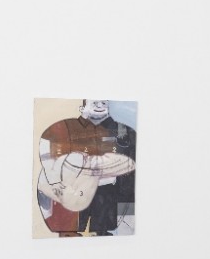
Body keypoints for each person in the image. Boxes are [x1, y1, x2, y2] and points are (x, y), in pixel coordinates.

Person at [36, 99, 137, 236]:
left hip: (109, 200)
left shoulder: (124, 132)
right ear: (83, 107)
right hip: (74, 197)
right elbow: (47, 147)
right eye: (95, 103)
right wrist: (54, 179)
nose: (100, 106)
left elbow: (133, 169)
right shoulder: (66, 127)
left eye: (104, 103)